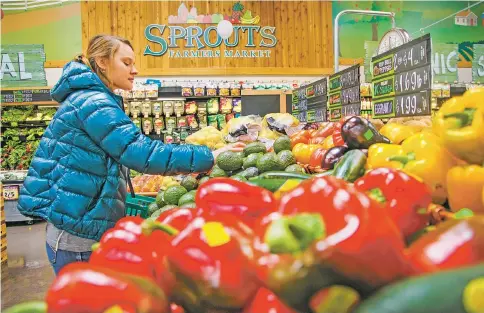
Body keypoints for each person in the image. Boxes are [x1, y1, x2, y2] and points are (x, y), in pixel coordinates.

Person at [17, 34, 219, 275]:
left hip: (79, 225)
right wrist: (209, 157)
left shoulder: (90, 97)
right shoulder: (93, 101)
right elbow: (139, 152)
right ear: (102, 61)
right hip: (78, 238)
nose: (135, 70)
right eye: (126, 63)